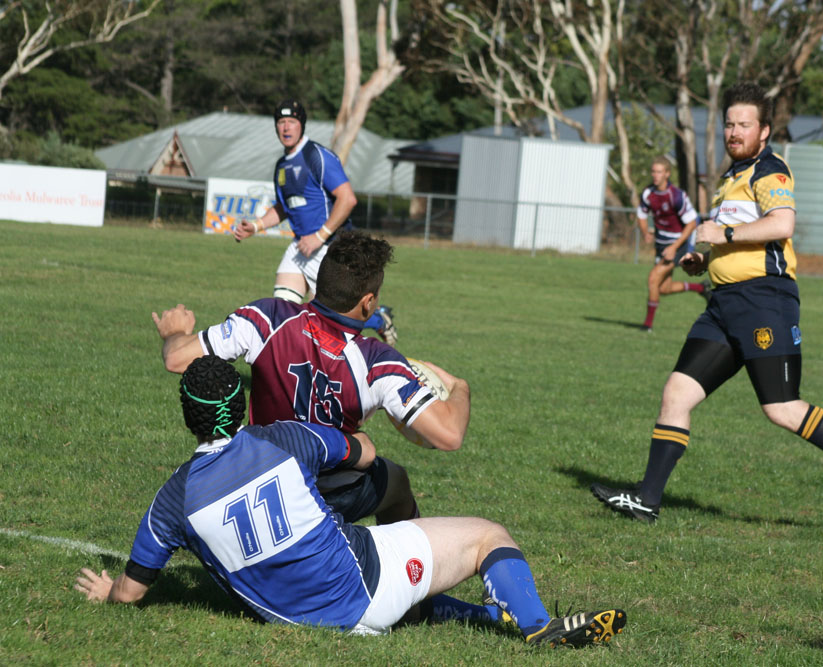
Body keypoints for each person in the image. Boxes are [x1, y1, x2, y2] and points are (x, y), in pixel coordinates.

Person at [73, 355, 626, 647]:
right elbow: (365, 454)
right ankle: (537, 625)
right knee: (488, 534)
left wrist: (108, 593)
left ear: (186, 415)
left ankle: (485, 617)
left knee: (403, 583)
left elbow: (132, 592)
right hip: (365, 587)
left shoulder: (171, 501)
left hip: (300, 625)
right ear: (240, 404)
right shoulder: (283, 438)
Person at [592, 82, 823, 531]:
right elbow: (735, 238)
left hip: (764, 303)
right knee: (677, 393)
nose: (734, 132)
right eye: (729, 124)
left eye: (744, 125)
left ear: (764, 130)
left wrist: (724, 235)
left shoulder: (770, 169)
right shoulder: (730, 178)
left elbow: (782, 223)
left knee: (781, 407)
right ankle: (647, 499)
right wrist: (706, 260)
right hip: (723, 305)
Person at [152, 231, 469, 525]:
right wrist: (460, 388)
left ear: (320, 281)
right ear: (369, 302)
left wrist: (175, 333)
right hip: (331, 492)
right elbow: (449, 435)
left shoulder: (267, 318)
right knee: (396, 482)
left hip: (260, 481)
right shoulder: (379, 362)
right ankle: (406, 562)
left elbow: (176, 357)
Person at [231, 98, 397, 345]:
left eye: (291, 121)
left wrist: (319, 237)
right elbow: (284, 207)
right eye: (281, 122)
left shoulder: (316, 156)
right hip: (301, 247)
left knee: (330, 320)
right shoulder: (282, 165)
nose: (286, 127)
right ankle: (288, 362)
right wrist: (255, 226)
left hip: (330, 248)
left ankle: (378, 319)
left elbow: (347, 199)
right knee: (282, 313)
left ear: (302, 125)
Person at [636, 156, 710, 333]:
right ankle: (701, 288)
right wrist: (645, 232)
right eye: (653, 171)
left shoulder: (676, 196)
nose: (655, 175)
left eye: (659, 172)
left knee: (653, 279)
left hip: (678, 244)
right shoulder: (648, 194)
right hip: (661, 245)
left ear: (667, 174)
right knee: (663, 287)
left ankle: (647, 326)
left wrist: (674, 247)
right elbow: (641, 215)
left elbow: (692, 223)